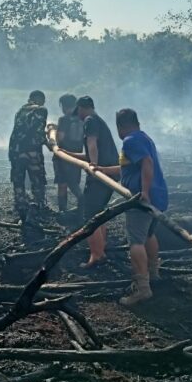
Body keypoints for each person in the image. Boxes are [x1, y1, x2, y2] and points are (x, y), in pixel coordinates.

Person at [95, 108, 168, 306]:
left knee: (135, 241)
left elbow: (147, 163)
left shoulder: (131, 141)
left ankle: (142, 288)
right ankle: (153, 274)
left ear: (121, 126)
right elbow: (128, 168)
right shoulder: (144, 138)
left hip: (141, 199)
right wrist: (102, 170)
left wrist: (143, 192)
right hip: (157, 197)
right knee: (148, 236)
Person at [60, 96, 119, 266]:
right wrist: (67, 153)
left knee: (90, 216)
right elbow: (90, 152)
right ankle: (101, 249)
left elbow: (92, 145)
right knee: (98, 211)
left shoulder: (89, 120)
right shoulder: (98, 121)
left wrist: (93, 166)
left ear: (82, 108)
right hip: (110, 172)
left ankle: (97, 254)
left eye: (77, 111)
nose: (77, 115)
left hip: (101, 173)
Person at [8, 90, 49, 223]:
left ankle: (21, 206)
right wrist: (48, 143)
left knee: (18, 180)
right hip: (32, 151)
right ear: (40, 100)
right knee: (37, 180)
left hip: (15, 150)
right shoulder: (41, 110)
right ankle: (38, 207)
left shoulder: (20, 111)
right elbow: (38, 132)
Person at [53, 94, 84, 212]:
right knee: (74, 182)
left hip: (63, 156)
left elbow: (60, 138)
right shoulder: (81, 119)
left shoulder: (64, 119)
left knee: (62, 184)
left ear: (63, 106)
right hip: (77, 156)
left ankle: (63, 210)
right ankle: (82, 206)